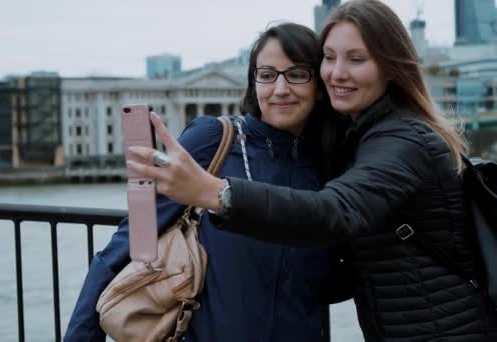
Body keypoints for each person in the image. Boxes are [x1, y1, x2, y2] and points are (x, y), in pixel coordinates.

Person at [126, 0, 497, 341]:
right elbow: (134, 235)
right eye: (329, 57)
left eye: (356, 59)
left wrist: (217, 194)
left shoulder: (401, 139)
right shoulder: (351, 140)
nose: (337, 73)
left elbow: (336, 212)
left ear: (391, 67)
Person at [64, 22, 351, 342]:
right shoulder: (213, 139)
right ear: (253, 82)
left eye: (297, 74)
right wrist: (81, 336)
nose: (280, 89)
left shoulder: (329, 162)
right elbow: (135, 236)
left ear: (319, 85)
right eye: (267, 75)